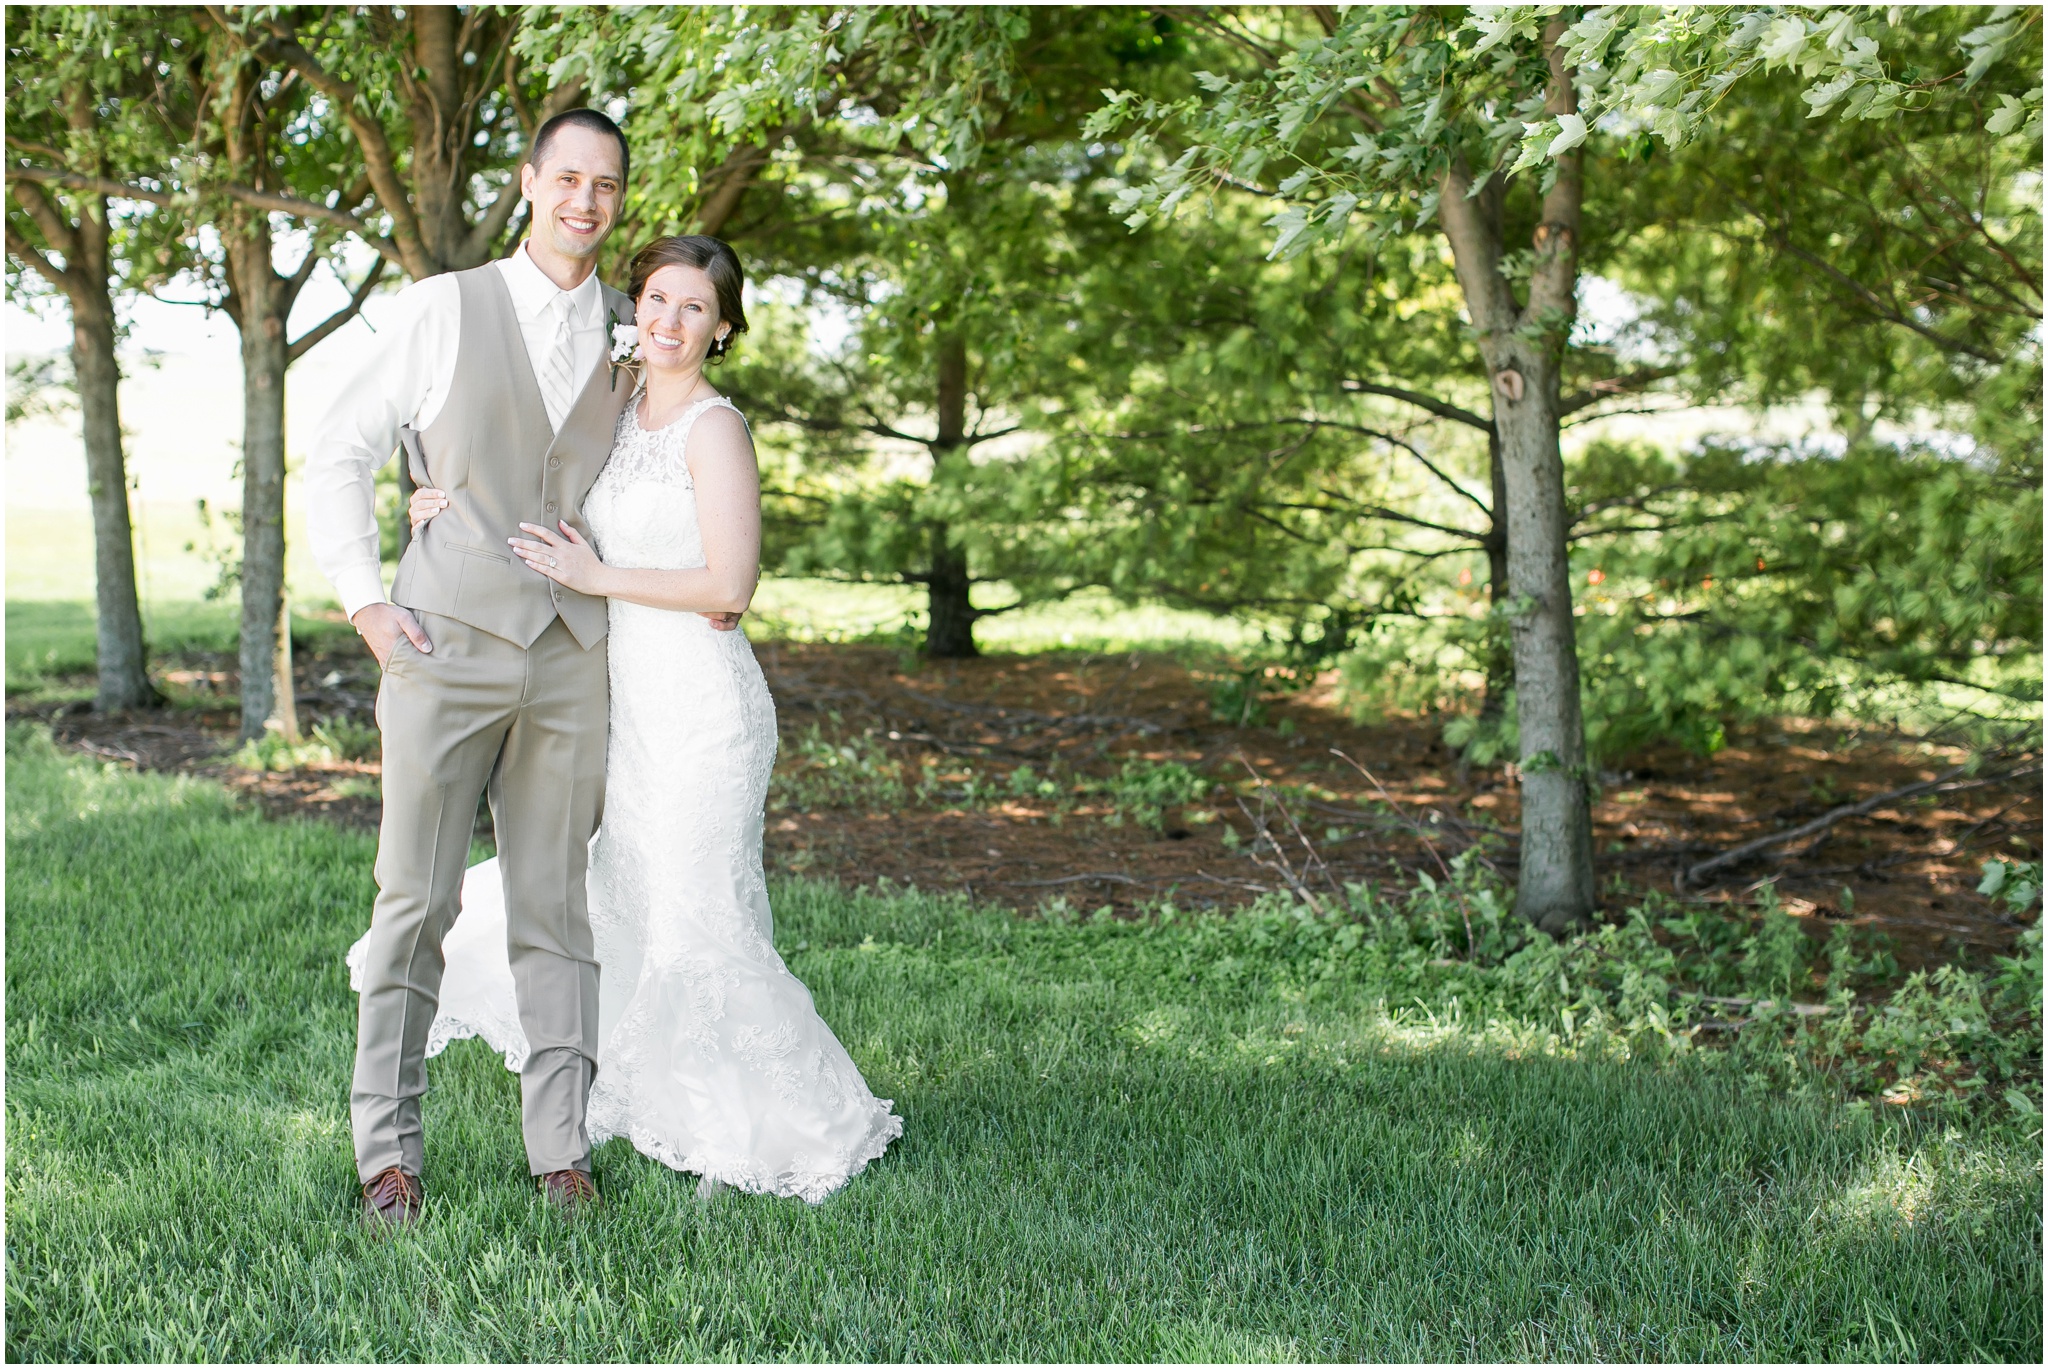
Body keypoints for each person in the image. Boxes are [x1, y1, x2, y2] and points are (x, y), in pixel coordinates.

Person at [354, 231, 902, 1207]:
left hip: (698, 706)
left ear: (722, 326)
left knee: (699, 916)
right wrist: (437, 500)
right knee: (627, 902)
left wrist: (597, 575)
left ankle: (760, 1125)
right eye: (656, 298)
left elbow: (729, 587)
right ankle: (661, 1100)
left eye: (694, 307)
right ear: (632, 305)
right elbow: (528, 469)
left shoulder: (712, 427)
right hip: (619, 700)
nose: (669, 320)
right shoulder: (613, 400)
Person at [308, 108, 736, 1228]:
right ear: (528, 183)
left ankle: (560, 1145)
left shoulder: (630, 329)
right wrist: (365, 595)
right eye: (568, 179)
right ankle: (386, 1155)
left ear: (617, 201)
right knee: (415, 903)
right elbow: (343, 444)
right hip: (443, 647)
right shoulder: (443, 305)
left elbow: (656, 459)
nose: (585, 201)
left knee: (557, 908)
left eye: (606, 186)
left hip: (568, 662)